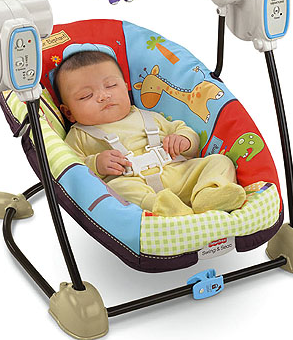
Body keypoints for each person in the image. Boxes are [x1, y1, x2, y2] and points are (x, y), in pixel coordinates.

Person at [53, 50, 245, 217]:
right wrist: (96, 163)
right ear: (68, 112)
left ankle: (208, 195)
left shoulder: (149, 116)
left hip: (178, 173)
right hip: (132, 183)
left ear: (126, 87)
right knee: (117, 191)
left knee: (220, 161)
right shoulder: (79, 135)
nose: (104, 96)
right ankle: (165, 209)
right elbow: (71, 170)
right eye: (86, 96)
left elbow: (185, 132)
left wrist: (183, 140)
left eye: (111, 85)